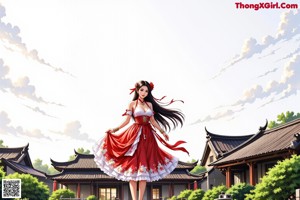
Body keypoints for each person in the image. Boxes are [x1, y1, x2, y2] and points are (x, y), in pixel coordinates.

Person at [93, 80, 188, 200]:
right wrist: (115, 129)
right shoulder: (132, 104)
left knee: (144, 170)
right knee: (132, 169)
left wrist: (163, 132)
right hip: (134, 135)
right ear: (137, 90)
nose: (144, 92)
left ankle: (141, 198)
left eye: (146, 91)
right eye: (142, 90)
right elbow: (127, 121)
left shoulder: (150, 105)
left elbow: (153, 121)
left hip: (148, 137)